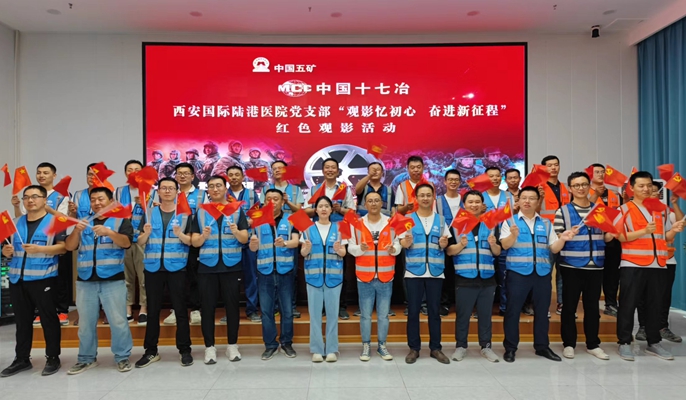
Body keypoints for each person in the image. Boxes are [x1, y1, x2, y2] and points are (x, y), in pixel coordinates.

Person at [615, 172, 684, 361]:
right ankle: (624, 342)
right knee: (628, 304)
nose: (646, 189)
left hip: (658, 264)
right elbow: (620, 237)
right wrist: (643, 231)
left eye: (648, 185)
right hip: (632, 263)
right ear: (631, 188)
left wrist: (673, 231)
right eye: (641, 186)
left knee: (655, 304)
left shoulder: (660, 210)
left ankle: (654, 342)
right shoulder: (623, 209)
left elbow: (664, 237)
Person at [64, 187, 134, 374]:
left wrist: (109, 232)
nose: (97, 203)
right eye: (93, 199)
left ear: (111, 202)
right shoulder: (84, 221)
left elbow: (126, 243)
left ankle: (122, 357)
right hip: (85, 280)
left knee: (118, 321)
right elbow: (70, 246)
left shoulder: (120, 220)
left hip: (113, 279)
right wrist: (76, 231)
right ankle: (86, 358)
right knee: (85, 324)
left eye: (101, 199)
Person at [500, 186, 573, 363]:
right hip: (518, 274)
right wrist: (513, 235)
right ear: (518, 201)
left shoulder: (546, 223)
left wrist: (563, 239)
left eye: (532, 198)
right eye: (524, 198)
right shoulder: (510, 222)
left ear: (538, 201)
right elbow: (505, 245)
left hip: (542, 274)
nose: (527, 201)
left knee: (542, 312)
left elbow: (553, 248)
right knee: (513, 311)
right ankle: (510, 348)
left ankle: (542, 346)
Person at [0, 185, 66, 377]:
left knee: (48, 319)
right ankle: (22, 359)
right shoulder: (15, 222)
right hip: (17, 279)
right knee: (22, 321)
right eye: (26, 197)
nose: (30, 200)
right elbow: (6, 248)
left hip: (43, 278)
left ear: (45, 200)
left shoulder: (55, 221)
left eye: (35, 196)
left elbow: (63, 248)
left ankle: (52, 357)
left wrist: (41, 250)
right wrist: (5, 251)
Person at [135, 178, 194, 368]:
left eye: (171, 188)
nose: (167, 191)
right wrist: (145, 233)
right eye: (164, 188)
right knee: (153, 311)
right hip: (153, 267)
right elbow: (140, 241)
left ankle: (184, 350)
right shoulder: (149, 213)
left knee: (180, 310)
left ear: (177, 192)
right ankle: (151, 351)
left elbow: (191, 241)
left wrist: (180, 234)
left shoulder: (185, 214)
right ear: (158, 192)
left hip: (177, 267)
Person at [191, 175, 249, 364]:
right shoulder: (201, 212)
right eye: (211, 186)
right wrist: (203, 236)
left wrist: (236, 231)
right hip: (207, 266)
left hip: (231, 266)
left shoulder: (236, 210)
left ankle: (232, 345)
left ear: (225, 188)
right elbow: (194, 242)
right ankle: (209, 347)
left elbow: (244, 238)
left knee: (232, 308)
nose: (215, 189)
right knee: (207, 308)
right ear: (207, 190)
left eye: (218, 186)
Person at [555, 172, 613, 360]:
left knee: (592, 307)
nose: (580, 188)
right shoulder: (563, 211)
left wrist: (612, 232)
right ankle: (568, 344)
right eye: (576, 185)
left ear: (589, 187)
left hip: (596, 265)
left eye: (584, 184)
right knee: (569, 307)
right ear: (570, 189)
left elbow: (605, 237)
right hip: (571, 266)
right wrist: (565, 235)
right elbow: (556, 237)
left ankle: (593, 344)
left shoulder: (600, 210)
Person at [11, 162, 71, 326]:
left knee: (59, 279)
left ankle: (62, 311)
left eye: (45, 172)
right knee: (34, 287)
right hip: (32, 242)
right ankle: (37, 312)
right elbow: (23, 218)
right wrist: (17, 206)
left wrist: (45, 208)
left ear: (54, 175)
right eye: (39, 172)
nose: (41, 175)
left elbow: (63, 219)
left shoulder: (61, 196)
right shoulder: (30, 194)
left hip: (54, 237)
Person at [446, 190, 501, 363]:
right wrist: (460, 245)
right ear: (464, 205)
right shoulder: (456, 225)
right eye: (470, 202)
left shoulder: (491, 224)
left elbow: (498, 252)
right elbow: (449, 251)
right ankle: (461, 346)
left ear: (483, 205)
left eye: (477, 202)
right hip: (464, 277)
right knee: (463, 315)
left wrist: (493, 245)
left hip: (487, 277)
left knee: (485, 315)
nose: (474, 205)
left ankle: (486, 346)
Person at [401, 183, 451, 364]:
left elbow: (445, 242)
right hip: (414, 271)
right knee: (413, 311)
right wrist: (406, 242)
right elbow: (401, 243)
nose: (425, 198)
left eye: (428, 195)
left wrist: (444, 244)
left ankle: (435, 348)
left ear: (433, 197)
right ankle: (414, 348)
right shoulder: (408, 219)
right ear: (416, 198)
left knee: (434, 312)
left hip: (435, 272)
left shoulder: (441, 220)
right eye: (421, 195)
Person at [347, 191, 400, 361]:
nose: (374, 203)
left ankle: (382, 345)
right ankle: (366, 345)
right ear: (365, 204)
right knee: (365, 315)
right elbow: (350, 247)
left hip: (386, 275)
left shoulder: (391, 222)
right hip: (364, 275)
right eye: (370, 201)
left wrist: (394, 249)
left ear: (382, 203)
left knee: (383, 315)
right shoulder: (357, 224)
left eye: (377, 200)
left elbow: (398, 244)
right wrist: (360, 249)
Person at [249, 189, 299, 360]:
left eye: (276, 199)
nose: (272, 202)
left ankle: (286, 343)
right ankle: (270, 345)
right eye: (268, 198)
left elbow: (296, 242)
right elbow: (253, 247)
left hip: (285, 271)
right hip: (265, 271)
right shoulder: (257, 220)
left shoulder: (291, 219)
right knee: (266, 311)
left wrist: (284, 243)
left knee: (287, 311)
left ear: (282, 202)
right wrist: (253, 243)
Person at [634, 184, 685, 344]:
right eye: (650, 190)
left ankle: (663, 327)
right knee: (643, 295)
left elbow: (680, 222)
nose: (652, 192)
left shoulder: (665, 211)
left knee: (664, 295)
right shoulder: (638, 211)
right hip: (645, 260)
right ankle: (643, 326)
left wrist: (675, 204)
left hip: (667, 260)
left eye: (656, 191)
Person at [305, 158, 355, 320]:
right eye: (327, 167)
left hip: (338, 232)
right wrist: (319, 209)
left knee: (340, 270)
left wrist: (340, 209)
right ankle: (321, 307)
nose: (330, 170)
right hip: (318, 233)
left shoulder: (344, 188)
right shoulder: (314, 189)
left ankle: (341, 306)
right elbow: (305, 211)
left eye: (333, 167)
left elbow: (352, 212)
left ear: (338, 170)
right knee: (320, 269)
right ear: (322, 170)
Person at [301, 196, 346, 363]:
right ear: (316, 210)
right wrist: (306, 249)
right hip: (313, 277)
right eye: (320, 206)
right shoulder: (307, 229)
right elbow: (303, 253)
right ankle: (317, 349)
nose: (324, 209)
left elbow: (344, 253)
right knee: (315, 316)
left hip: (334, 277)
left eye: (327, 206)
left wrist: (339, 250)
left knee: (333, 315)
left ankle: (332, 349)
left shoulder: (340, 228)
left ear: (331, 209)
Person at [163, 162, 205, 326]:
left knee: (194, 275)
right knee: (175, 277)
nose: (182, 176)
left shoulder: (201, 195)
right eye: (179, 173)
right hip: (173, 242)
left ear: (193, 176)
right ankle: (176, 309)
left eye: (186, 173)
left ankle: (195, 309)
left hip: (192, 240)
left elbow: (205, 215)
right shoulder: (170, 193)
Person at [261, 160, 305, 318]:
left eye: (280, 168)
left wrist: (286, 201)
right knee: (269, 272)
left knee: (290, 272)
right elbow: (263, 209)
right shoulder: (266, 189)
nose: (277, 171)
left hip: (290, 229)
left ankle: (290, 306)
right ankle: (273, 306)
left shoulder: (295, 189)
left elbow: (299, 211)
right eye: (274, 169)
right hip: (268, 231)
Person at [114, 160, 148, 324]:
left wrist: (145, 205)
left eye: (137, 169)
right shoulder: (119, 192)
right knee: (126, 276)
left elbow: (157, 213)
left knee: (144, 276)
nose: (133, 172)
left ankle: (144, 308)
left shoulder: (151, 191)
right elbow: (113, 213)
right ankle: (127, 307)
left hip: (143, 239)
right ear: (125, 173)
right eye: (129, 169)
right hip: (124, 239)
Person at [226, 165, 261, 322]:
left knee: (251, 277)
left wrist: (252, 221)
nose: (234, 177)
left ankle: (251, 310)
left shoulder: (252, 194)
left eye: (237, 174)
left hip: (249, 241)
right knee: (229, 280)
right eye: (231, 175)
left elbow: (259, 214)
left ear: (242, 177)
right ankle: (230, 312)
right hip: (229, 242)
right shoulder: (223, 195)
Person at [588, 163, 622, 318]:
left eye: (603, 172)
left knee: (612, 273)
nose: (601, 174)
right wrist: (595, 194)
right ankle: (591, 305)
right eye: (597, 172)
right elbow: (586, 212)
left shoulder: (614, 194)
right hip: (594, 238)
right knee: (594, 274)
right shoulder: (586, 192)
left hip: (613, 238)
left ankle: (611, 304)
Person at [540, 155, 570, 315]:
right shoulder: (538, 188)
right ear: (543, 168)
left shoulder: (567, 188)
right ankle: (543, 306)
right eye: (549, 165)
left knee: (563, 272)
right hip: (546, 236)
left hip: (565, 235)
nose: (553, 168)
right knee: (545, 272)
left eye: (556, 164)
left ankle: (562, 303)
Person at [435, 169, 463, 317]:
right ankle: (444, 304)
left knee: (462, 273)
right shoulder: (437, 201)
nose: (453, 182)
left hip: (463, 239)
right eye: (450, 179)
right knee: (446, 272)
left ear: (460, 182)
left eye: (456, 180)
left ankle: (462, 304)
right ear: (445, 182)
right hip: (444, 240)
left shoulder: (465, 199)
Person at [499, 168, 524, 316]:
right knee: (505, 277)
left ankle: (523, 305)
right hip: (506, 238)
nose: (513, 180)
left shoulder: (525, 195)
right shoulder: (503, 196)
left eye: (516, 177)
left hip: (523, 242)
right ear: (506, 180)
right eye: (510, 178)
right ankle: (504, 306)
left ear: (520, 178)